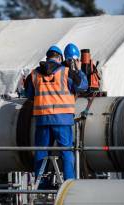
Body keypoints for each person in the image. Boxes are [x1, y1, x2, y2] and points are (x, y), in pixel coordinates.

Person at [24, 44, 88, 182]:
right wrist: (79, 69)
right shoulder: (66, 72)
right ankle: (69, 183)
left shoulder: (34, 74)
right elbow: (83, 86)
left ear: (48, 58)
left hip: (42, 119)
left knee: (41, 152)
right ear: (59, 58)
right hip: (62, 119)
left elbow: (28, 94)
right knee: (66, 152)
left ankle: (40, 184)